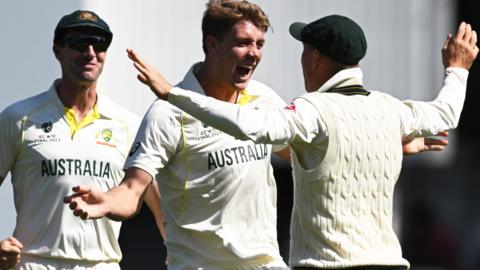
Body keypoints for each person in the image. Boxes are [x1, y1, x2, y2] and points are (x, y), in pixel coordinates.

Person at [121, 15, 478, 269]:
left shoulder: (311, 110)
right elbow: (445, 113)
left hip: (324, 265)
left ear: (317, 57)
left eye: (304, 49)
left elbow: (251, 125)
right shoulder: (390, 110)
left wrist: (174, 95)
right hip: (389, 263)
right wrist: (457, 68)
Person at [65, 1, 291, 269]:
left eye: (260, 44)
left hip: (267, 263)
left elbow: (302, 157)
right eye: (243, 43)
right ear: (212, 44)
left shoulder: (264, 99)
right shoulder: (168, 114)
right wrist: (107, 202)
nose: (254, 53)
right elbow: (132, 189)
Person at [0, 10, 164, 270]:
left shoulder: (129, 124)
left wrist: (179, 254)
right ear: (57, 50)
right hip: (35, 263)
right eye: (79, 42)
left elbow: (160, 203)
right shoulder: (17, 118)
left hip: (102, 264)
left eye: (99, 44)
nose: (90, 52)